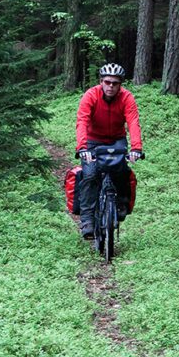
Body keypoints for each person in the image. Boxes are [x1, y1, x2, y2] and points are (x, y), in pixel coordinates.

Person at [75, 63, 143, 239]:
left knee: (121, 171)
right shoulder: (91, 95)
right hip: (92, 141)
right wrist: (82, 148)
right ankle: (87, 220)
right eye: (107, 82)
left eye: (115, 83)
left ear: (120, 84)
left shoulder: (127, 97)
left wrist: (136, 148)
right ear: (101, 82)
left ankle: (121, 204)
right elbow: (82, 120)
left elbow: (133, 122)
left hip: (116, 140)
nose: (111, 86)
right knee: (90, 175)